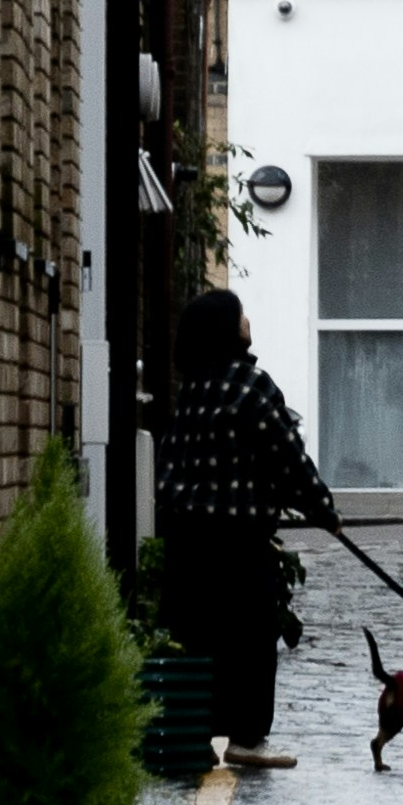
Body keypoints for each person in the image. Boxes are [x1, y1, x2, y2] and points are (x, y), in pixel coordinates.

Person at [154, 286, 334, 765]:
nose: (247, 319)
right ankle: (246, 738)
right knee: (250, 636)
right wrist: (323, 509)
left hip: (188, 540)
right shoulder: (250, 386)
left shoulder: (191, 390)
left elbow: (171, 463)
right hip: (239, 540)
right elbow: (287, 458)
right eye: (241, 314)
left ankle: (195, 728)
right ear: (227, 328)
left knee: (197, 633)